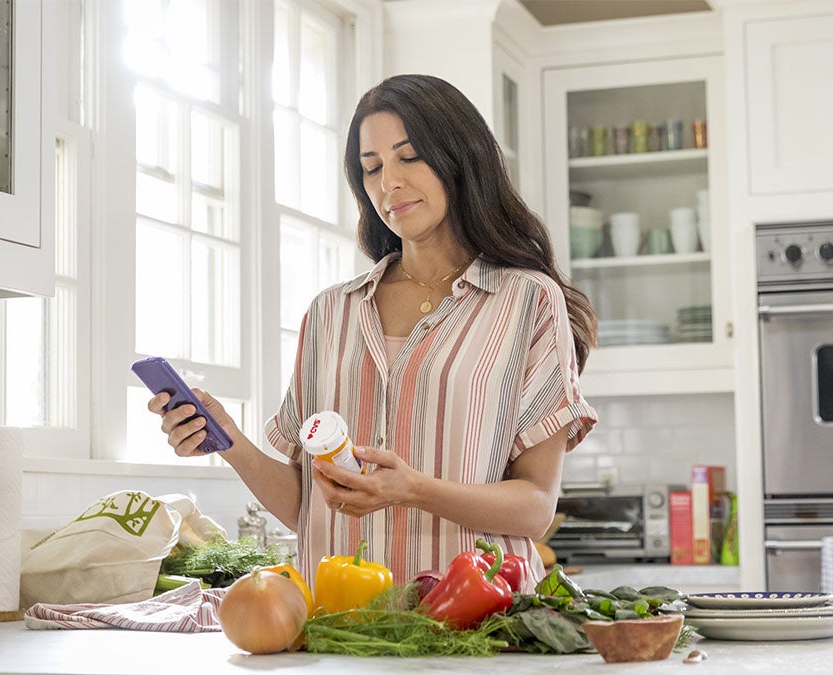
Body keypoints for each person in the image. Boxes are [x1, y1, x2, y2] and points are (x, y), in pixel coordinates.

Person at [149, 73, 597, 591]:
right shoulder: (329, 314)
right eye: (372, 167)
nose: (390, 182)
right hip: (342, 627)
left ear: (460, 159)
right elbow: (308, 507)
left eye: (409, 157)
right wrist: (227, 439)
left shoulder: (527, 302)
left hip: (477, 630)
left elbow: (536, 509)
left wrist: (412, 490)